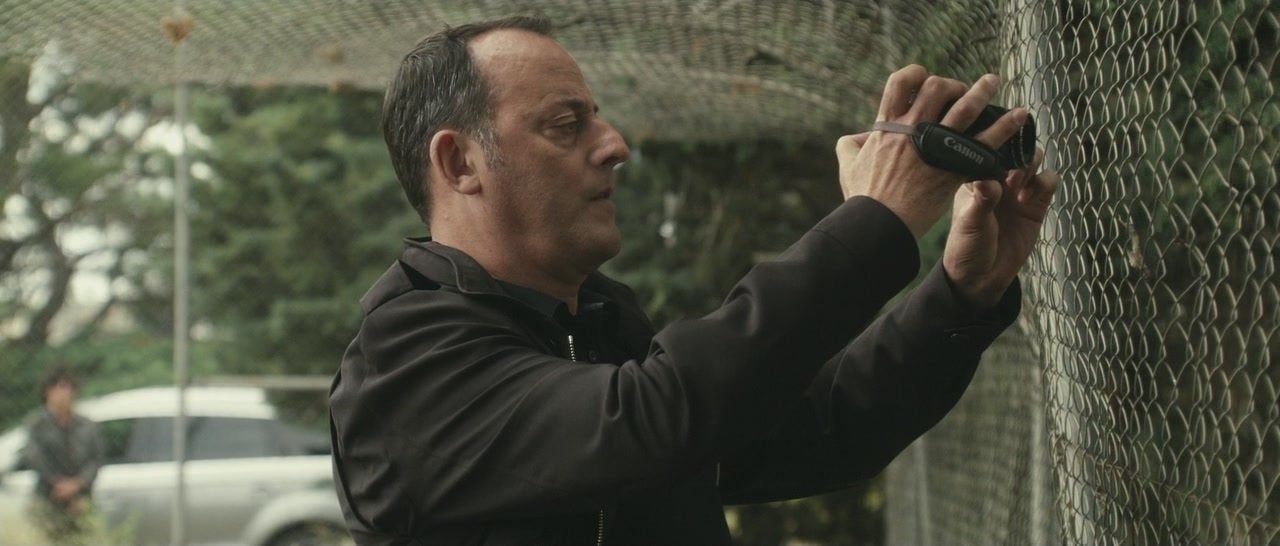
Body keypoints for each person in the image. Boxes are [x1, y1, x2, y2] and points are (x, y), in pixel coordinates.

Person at [329, 15, 1060, 546]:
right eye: (565, 125)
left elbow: (822, 429)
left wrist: (961, 295)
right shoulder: (408, 359)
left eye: (597, 120)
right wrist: (874, 221)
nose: (614, 145)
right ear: (459, 163)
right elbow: (653, 419)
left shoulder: (598, 323)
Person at [21, 365, 104, 542]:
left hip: (81, 500)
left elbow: (96, 459)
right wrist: (59, 484)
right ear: (47, 392)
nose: (63, 394)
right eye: (57, 388)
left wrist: (78, 485)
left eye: (67, 388)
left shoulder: (86, 425)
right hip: (49, 498)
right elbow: (35, 457)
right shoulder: (37, 424)